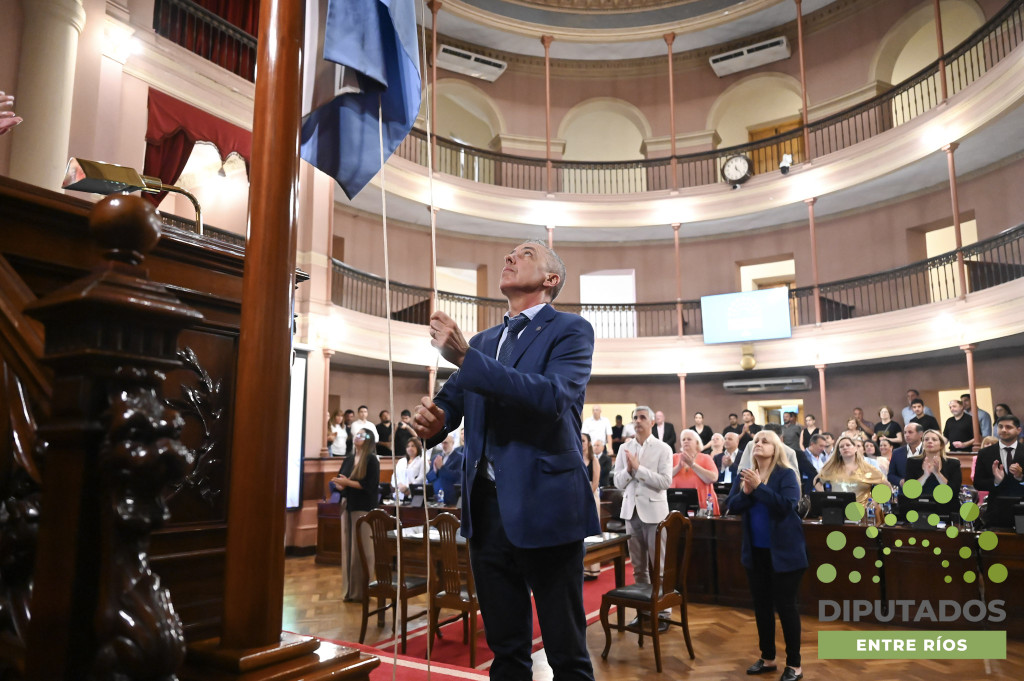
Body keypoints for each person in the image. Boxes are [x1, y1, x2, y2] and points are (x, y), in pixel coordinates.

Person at [412, 240, 600, 681]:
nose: (510, 258)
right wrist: (434, 421)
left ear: (551, 279)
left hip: (547, 505)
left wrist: (465, 357)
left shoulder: (571, 330)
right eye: (510, 254)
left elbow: (550, 397)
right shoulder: (484, 342)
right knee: (506, 653)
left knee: (567, 654)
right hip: (486, 511)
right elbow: (450, 404)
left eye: (526, 253)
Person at [726, 430, 806, 681]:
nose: (758, 444)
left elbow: (786, 506)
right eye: (756, 441)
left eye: (764, 441)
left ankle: (794, 665)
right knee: (762, 607)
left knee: (786, 607)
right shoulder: (745, 474)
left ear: (776, 448)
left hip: (785, 552)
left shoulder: (786, 474)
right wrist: (746, 492)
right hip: (756, 552)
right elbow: (732, 505)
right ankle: (768, 657)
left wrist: (759, 487)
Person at [613, 406, 672, 632]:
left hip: (655, 513)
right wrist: (629, 471)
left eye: (642, 417)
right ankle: (644, 611)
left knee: (659, 565)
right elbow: (617, 482)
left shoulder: (663, 448)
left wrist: (639, 469)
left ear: (652, 423)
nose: (638, 421)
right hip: (631, 512)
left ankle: (663, 612)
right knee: (638, 567)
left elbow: (665, 482)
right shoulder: (624, 447)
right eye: (635, 418)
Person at [332, 427, 380, 602]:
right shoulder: (349, 459)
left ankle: (363, 590)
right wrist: (339, 485)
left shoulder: (372, 460)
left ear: (369, 439)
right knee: (348, 550)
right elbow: (342, 481)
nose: (357, 437)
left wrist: (347, 483)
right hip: (348, 505)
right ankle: (349, 591)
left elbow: (370, 486)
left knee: (363, 550)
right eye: (357, 434)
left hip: (363, 508)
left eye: (362, 435)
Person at [814, 435, 886, 507]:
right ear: (839, 451)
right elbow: (816, 481)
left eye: (848, 445)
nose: (845, 447)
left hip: (861, 510)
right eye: (841, 447)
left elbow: (885, 485)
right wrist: (825, 497)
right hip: (838, 510)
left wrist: (874, 503)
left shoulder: (868, 468)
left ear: (855, 448)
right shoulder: (832, 469)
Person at [972, 415, 1024, 497]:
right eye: (1000, 427)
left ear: (1018, 430)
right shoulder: (985, 453)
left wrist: (1021, 477)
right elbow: (977, 484)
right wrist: (996, 481)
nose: (1003, 430)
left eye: (1008, 427)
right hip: (996, 502)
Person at [672, 429, 720, 515]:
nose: (686, 441)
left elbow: (713, 478)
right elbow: (664, 477)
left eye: (689, 439)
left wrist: (692, 465)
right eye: (683, 439)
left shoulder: (706, 458)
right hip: (677, 506)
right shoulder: (674, 458)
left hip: (702, 507)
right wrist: (678, 467)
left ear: (697, 443)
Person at [904, 430, 962, 496]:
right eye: (926, 439)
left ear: (941, 445)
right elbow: (909, 492)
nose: (930, 441)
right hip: (919, 501)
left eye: (934, 439)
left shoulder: (953, 463)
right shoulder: (912, 462)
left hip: (945, 501)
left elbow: (954, 491)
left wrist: (937, 474)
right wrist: (925, 475)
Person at [581, 433, 602, 580]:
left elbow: (595, 482)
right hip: (578, 497)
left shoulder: (594, 460)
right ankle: (583, 567)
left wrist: (587, 496)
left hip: (591, 496)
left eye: (583, 440)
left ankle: (593, 568)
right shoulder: (576, 458)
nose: (581, 443)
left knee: (592, 532)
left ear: (588, 443)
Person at [426, 433, 463, 504]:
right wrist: (435, 470)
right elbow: (429, 478)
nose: (443, 445)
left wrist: (442, 468)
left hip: (452, 497)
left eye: (446, 443)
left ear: (452, 443)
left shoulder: (460, 457)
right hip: (436, 497)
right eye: (442, 443)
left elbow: (458, 476)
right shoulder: (436, 458)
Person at [888, 423, 923, 487]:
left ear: (920, 434)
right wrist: (900, 481)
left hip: (925, 490)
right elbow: (890, 475)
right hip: (904, 490)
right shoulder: (896, 452)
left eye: (910, 432)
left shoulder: (928, 451)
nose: (907, 435)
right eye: (905, 432)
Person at [392, 436, 425, 502]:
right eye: (408, 446)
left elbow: (422, 478)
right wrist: (399, 485)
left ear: (418, 447)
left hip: (413, 494)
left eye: (413, 446)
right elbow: (394, 476)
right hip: (399, 494)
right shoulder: (401, 461)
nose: (410, 448)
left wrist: (407, 487)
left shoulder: (422, 461)